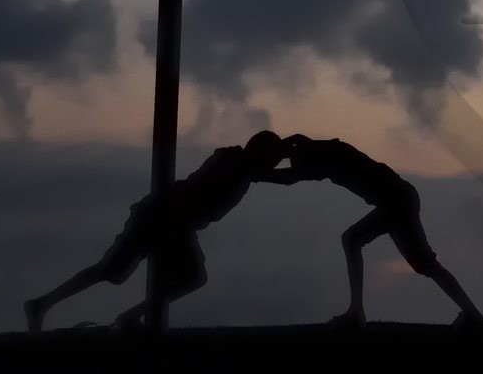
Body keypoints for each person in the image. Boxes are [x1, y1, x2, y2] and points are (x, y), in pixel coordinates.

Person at [24, 130, 287, 333]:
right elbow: (267, 174)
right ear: (260, 154)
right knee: (118, 272)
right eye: (270, 160)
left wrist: (292, 145)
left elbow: (275, 175)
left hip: (169, 219)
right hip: (166, 218)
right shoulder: (232, 161)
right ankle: (48, 305)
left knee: (116, 271)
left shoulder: (241, 166)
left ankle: (48, 305)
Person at [257, 134, 483, 329]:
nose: (292, 164)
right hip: (399, 198)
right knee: (424, 264)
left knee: (353, 240)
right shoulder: (319, 147)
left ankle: (356, 314)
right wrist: (275, 155)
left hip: (396, 201)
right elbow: (293, 148)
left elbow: (289, 178)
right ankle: (472, 315)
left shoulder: (320, 158)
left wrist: (256, 174)